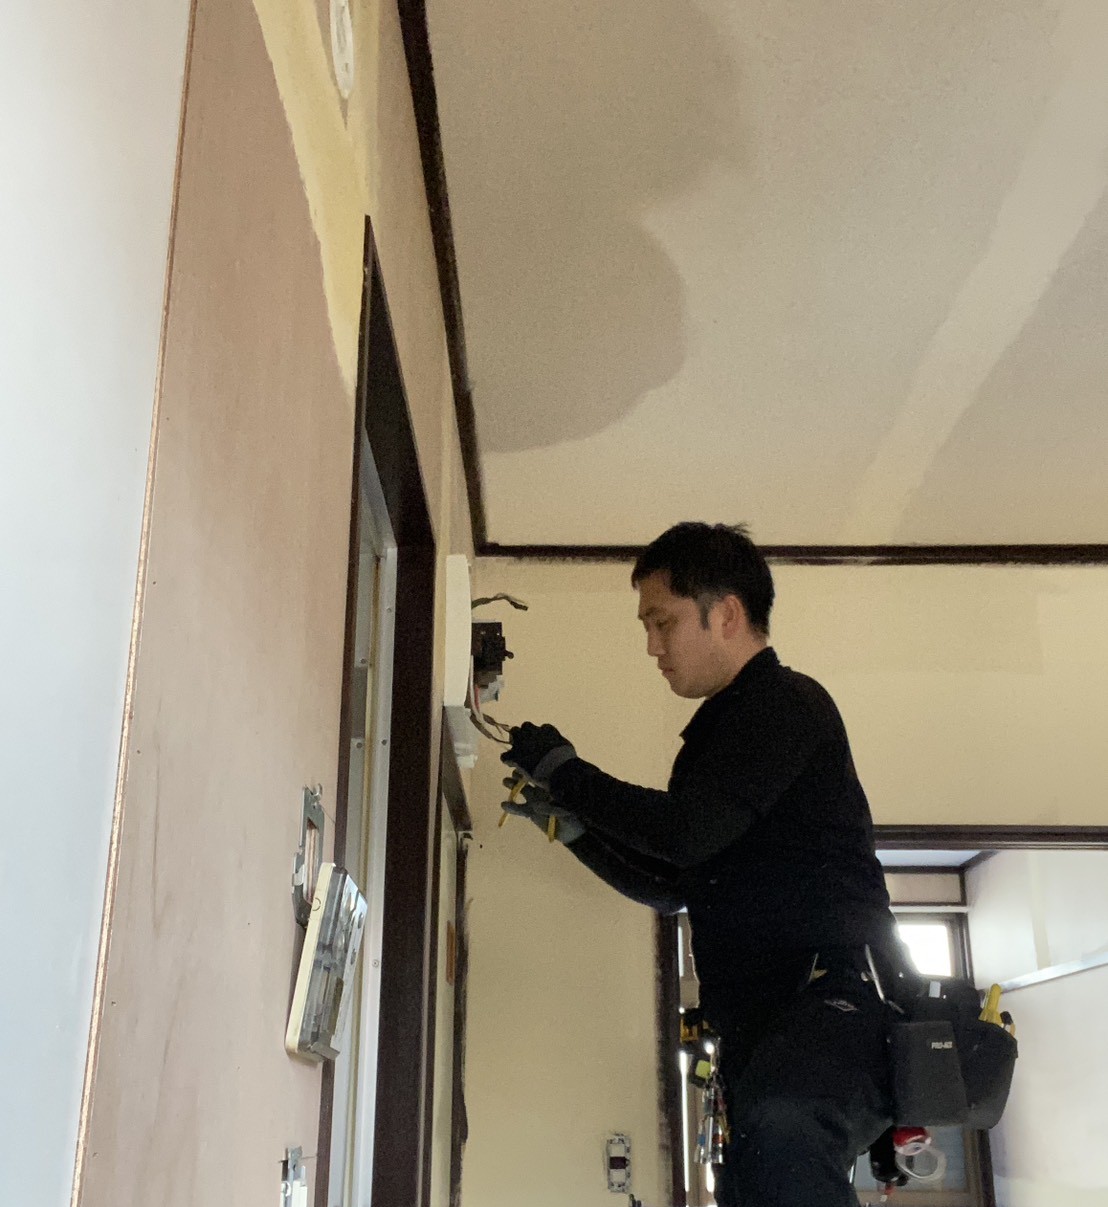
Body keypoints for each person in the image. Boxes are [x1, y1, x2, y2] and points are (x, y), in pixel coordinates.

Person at [500, 521, 911, 1207]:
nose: (652, 647)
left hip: (832, 997)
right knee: (747, 1180)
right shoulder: (713, 738)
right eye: (647, 627)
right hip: (766, 1029)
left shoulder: (786, 704)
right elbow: (672, 883)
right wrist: (574, 831)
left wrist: (567, 774)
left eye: (662, 622)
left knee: (782, 1131)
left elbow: (685, 832)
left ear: (726, 614)